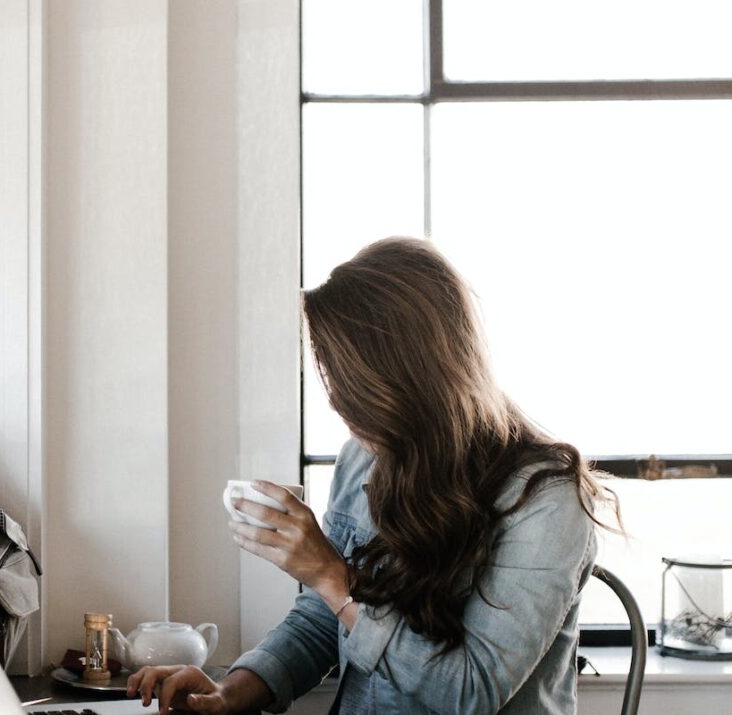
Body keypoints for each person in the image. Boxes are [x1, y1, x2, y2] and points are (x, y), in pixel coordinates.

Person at [128, 238, 620, 714]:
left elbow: (472, 692)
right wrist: (229, 692)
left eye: (351, 387)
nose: (341, 406)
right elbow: (324, 619)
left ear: (407, 377)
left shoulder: (546, 499)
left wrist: (329, 573)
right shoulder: (365, 458)